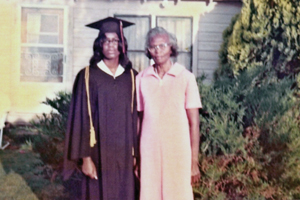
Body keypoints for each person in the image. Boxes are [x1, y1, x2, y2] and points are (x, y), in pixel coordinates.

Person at [63, 17, 139, 200]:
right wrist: (86, 159)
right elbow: (79, 119)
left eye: (115, 40)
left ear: (122, 44)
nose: (110, 45)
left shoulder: (133, 77)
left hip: (125, 154)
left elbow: (138, 118)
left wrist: (137, 154)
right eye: (105, 40)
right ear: (99, 45)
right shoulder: (87, 76)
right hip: (96, 154)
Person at [136, 27, 202, 200]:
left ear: (171, 47)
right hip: (149, 150)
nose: (158, 51)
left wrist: (194, 161)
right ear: (148, 50)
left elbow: (194, 123)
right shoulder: (141, 78)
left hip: (178, 150)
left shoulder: (186, 77)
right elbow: (139, 119)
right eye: (153, 47)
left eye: (163, 45)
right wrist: (137, 156)